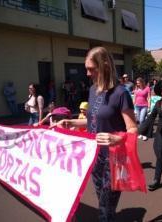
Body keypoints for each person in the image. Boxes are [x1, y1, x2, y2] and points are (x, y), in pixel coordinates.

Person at [52, 47, 137, 222]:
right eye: (87, 68)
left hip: (114, 159)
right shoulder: (93, 90)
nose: (87, 73)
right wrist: (72, 122)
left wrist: (117, 138)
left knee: (105, 208)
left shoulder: (121, 93)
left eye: (91, 68)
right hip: (94, 157)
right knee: (103, 203)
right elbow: (94, 121)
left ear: (105, 65)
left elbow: (133, 129)